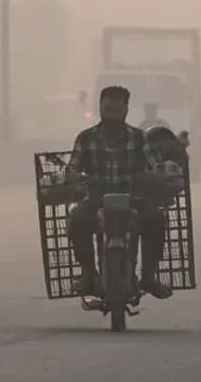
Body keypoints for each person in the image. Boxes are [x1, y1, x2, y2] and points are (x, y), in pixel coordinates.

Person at [65, 86, 172, 300]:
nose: (111, 115)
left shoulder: (139, 138)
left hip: (133, 199)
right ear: (100, 109)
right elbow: (73, 166)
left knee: (157, 220)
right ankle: (88, 274)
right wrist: (72, 177)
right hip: (96, 200)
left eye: (116, 110)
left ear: (125, 110)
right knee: (76, 219)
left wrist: (160, 174)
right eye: (107, 110)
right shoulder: (86, 138)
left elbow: (154, 164)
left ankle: (148, 276)